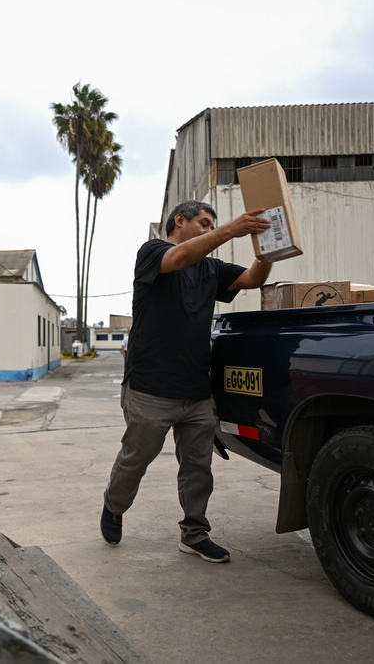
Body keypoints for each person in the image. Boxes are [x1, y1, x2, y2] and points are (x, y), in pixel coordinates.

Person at [100, 200, 272, 563]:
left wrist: (270, 249)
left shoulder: (212, 268)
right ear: (180, 220)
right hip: (150, 387)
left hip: (196, 390)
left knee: (198, 468)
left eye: (213, 225)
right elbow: (178, 258)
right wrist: (229, 230)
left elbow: (253, 279)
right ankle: (114, 506)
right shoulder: (152, 253)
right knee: (136, 458)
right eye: (204, 223)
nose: (210, 230)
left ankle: (194, 534)